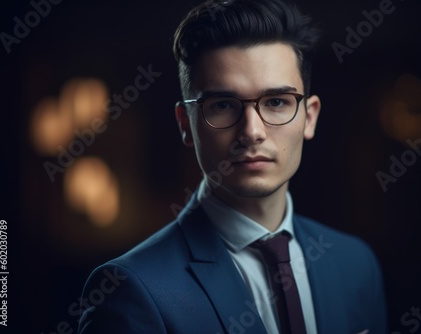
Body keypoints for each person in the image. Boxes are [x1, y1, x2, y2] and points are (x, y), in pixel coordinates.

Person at [77, 0, 387, 333]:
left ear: (309, 117)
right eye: (223, 105)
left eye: (277, 102)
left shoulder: (356, 265)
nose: (252, 132)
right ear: (185, 123)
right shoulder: (132, 290)